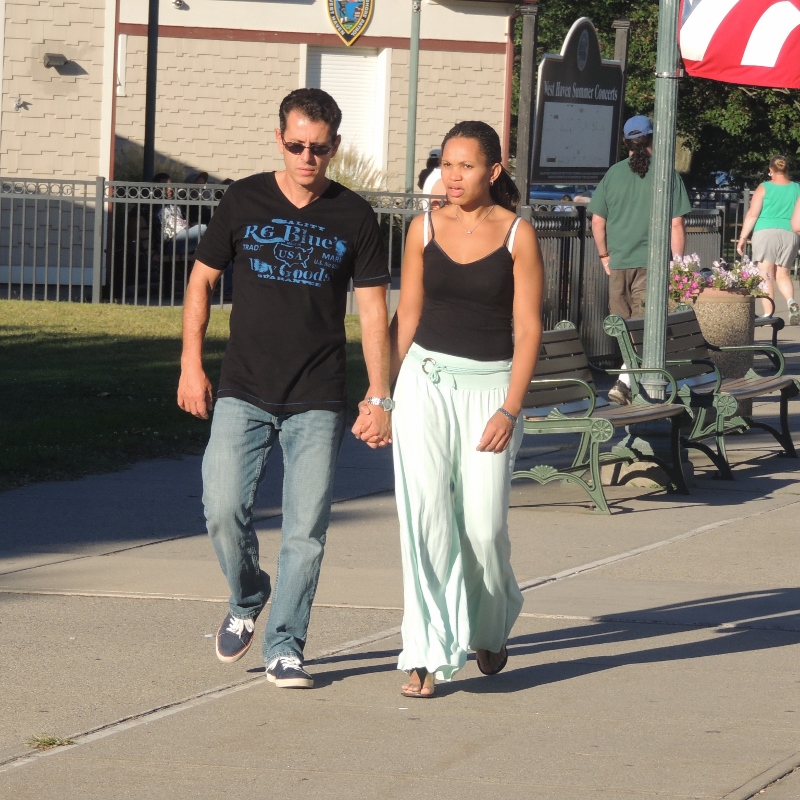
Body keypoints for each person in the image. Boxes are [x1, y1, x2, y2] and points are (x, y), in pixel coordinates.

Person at [177, 88, 392, 690]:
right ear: (280, 140)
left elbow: (374, 313)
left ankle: (286, 644)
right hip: (243, 387)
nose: (307, 158)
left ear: (335, 148)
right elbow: (201, 283)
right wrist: (191, 364)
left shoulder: (355, 216)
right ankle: (248, 596)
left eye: (318, 149)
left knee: (306, 530)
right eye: (296, 146)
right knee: (222, 509)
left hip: (319, 395)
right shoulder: (244, 198)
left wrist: (380, 394)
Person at [355, 120, 543, 698]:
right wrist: (379, 393)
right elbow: (404, 316)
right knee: (426, 518)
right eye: (447, 164)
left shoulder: (518, 234)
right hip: (424, 385)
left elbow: (529, 328)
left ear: (493, 171)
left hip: (490, 392)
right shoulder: (422, 229)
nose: (452, 176)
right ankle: (426, 651)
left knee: (484, 528)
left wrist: (510, 409)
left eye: (465, 165)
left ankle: (490, 623)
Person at [588, 115, 691, 405]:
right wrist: (678, 265)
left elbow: (597, 221)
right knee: (643, 328)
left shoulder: (613, 174)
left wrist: (605, 256)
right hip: (652, 264)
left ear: (625, 142)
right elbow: (676, 225)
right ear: (652, 139)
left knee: (624, 329)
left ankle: (626, 382)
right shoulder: (666, 174)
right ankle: (628, 383)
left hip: (619, 263)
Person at [737, 155, 800, 322]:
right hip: (789, 233)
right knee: (783, 274)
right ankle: (791, 302)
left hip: (765, 232)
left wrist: (743, 237)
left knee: (765, 274)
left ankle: (768, 314)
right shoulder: (797, 188)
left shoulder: (764, 187)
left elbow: (752, 214)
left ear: (770, 170)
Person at [152, 173, 207, 256]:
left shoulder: (175, 204)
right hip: (171, 242)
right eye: (166, 186)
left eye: (171, 185)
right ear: (157, 188)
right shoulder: (153, 206)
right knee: (205, 228)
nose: (170, 189)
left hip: (186, 236)